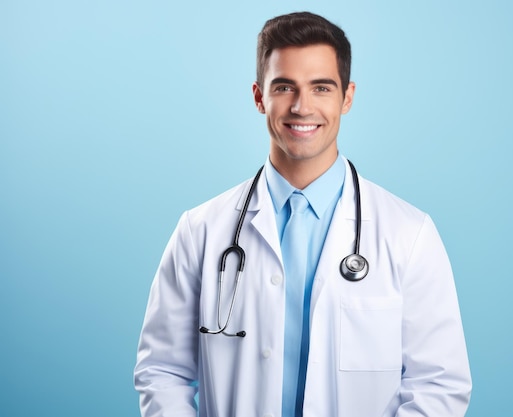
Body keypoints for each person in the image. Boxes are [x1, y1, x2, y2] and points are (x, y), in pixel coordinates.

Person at [134, 11, 472, 417]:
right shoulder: (200, 230)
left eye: (321, 88)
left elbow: (439, 383)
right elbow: (161, 371)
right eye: (284, 87)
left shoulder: (409, 233)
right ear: (260, 97)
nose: (301, 106)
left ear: (347, 97)